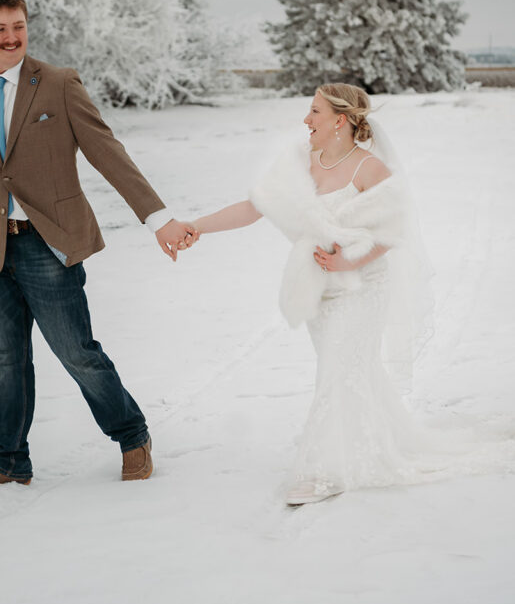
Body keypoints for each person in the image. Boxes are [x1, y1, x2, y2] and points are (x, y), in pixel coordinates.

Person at [0, 0, 198, 490]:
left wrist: (158, 219)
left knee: (77, 352)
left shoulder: (59, 83)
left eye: (18, 26)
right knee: (6, 359)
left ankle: (132, 435)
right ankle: (8, 459)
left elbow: (107, 152)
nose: (11, 37)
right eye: (0, 28)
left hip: (48, 245)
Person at [191, 82, 468, 505]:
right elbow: (253, 207)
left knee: (337, 372)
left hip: (362, 288)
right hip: (320, 292)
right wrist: (196, 227)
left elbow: (394, 230)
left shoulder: (370, 169)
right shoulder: (302, 161)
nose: (306, 120)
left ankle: (326, 471)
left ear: (340, 119)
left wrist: (349, 262)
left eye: (315, 112)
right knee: (351, 373)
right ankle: (375, 443)